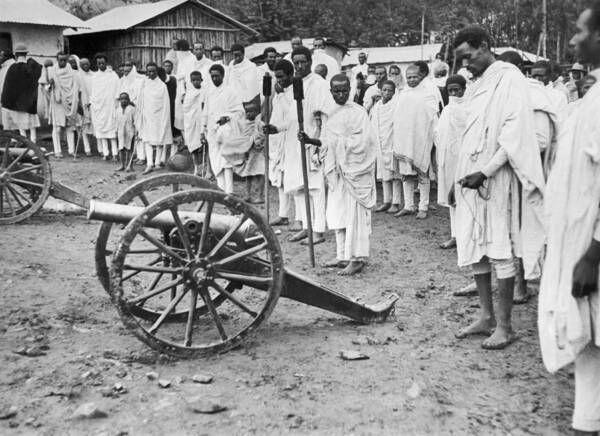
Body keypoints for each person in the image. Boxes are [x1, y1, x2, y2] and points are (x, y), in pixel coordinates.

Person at [451, 26, 545, 350]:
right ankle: (486, 316)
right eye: (461, 60)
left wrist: (486, 171)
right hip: (471, 177)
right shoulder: (477, 86)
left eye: (468, 56)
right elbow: (469, 138)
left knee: (499, 248)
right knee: (475, 245)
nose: (466, 65)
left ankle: (505, 326)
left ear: (485, 46)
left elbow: (514, 136)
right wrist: (459, 178)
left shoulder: (510, 78)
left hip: (497, 178)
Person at [539, 3, 600, 434]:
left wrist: (593, 253)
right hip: (580, 241)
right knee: (589, 343)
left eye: (581, 32)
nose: (575, 40)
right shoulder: (592, 98)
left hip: (592, 248)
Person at [300, 74, 376, 276]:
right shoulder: (331, 113)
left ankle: (357, 258)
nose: (340, 94)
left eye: (344, 90)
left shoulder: (358, 113)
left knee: (354, 215)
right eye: (336, 91)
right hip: (337, 172)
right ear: (331, 92)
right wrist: (310, 140)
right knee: (337, 212)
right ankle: (342, 255)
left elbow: (366, 143)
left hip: (354, 171)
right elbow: (326, 140)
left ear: (350, 89)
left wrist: (342, 145)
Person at [393, 64, 438, 220]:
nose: (412, 79)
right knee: (406, 174)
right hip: (405, 139)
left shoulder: (427, 94)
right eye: (409, 77)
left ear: (421, 77)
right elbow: (398, 115)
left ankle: (423, 206)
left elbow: (432, 116)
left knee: (422, 173)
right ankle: (408, 205)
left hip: (420, 138)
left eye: (415, 76)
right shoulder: (403, 93)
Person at [435, 75, 467, 249]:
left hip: (465, 158)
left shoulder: (470, 107)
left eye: (457, 90)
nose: (454, 93)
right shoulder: (447, 109)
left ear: (464, 89)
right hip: (448, 158)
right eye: (450, 91)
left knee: (466, 195)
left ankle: (467, 236)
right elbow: (440, 133)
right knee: (451, 198)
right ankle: (455, 235)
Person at [202, 64, 244, 193]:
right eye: (212, 76)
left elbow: (239, 111)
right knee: (215, 160)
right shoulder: (209, 93)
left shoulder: (230, 92)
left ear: (223, 76)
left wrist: (227, 118)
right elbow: (205, 112)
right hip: (212, 132)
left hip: (226, 130)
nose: (215, 79)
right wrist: (202, 130)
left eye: (217, 76)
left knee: (226, 161)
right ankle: (220, 189)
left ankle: (229, 191)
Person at [264, 59, 296, 226]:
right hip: (277, 137)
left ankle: (299, 218)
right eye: (277, 77)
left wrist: (282, 94)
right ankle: (283, 215)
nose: (279, 80)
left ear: (290, 75)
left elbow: (291, 115)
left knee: (293, 179)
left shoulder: (294, 92)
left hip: (290, 138)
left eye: (282, 77)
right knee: (279, 179)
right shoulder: (278, 91)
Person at [221, 96, 266, 203]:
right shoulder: (244, 124)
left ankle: (260, 196)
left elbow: (262, 136)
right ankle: (248, 195)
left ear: (257, 112)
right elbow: (241, 137)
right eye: (247, 112)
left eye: (252, 111)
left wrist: (255, 140)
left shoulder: (260, 123)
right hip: (248, 153)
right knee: (247, 174)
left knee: (260, 173)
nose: (249, 114)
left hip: (258, 153)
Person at [40, 52, 81, 158]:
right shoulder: (51, 72)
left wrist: (75, 101)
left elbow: (76, 88)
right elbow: (44, 88)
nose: (62, 62)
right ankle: (57, 151)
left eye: (64, 60)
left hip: (69, 102)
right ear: (57, 60)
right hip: (57, 102)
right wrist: (50, 85)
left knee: (70, 127)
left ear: (67, 60)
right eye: (60, 60)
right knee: (57, 128)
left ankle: (71, 150)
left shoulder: (73, 73)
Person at [371, 80, 402, 214]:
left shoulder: (396, 105)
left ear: (394, 92)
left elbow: (399, 124)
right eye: (384, 90)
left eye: (390, 90)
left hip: (392, 142)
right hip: (380, 142)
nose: (386, 92)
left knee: (395, 174)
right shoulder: (377, 106)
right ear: (381, 91)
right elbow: (373, 123)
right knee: (384, 174)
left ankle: (396, 202)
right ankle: (386, 201)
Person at [137, 62, 173, 175]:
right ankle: (149, 164)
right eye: (149, 71)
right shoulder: (144, 84)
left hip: (159, 117)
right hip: (147, 116)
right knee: (147, 140)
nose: (151, 73)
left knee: (159, 139)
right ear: (147, 72)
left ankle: (157, 163)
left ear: (157, 72)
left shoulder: (162, 86)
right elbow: (141, 101)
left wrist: (164, 117)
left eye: (153, 71)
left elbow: (166, 103)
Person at [1, 44, 42, 142]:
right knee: (32, 127)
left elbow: (8, 88)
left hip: (14, 104)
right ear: (26, 54)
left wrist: (5, 100)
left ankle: (23, 142)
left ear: (15, 55)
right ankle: (33, 142)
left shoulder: (12, 68)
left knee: (19, 126)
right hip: (29, 104)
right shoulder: (33, 67)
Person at [90, 53, 119, 160]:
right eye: (99, 63)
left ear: (106, 63)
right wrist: (92, 102)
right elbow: (93, 91)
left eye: (103, 63)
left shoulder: (113, 75)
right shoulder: (95, 76)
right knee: (101, 131)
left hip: (110, 106)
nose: (101, 65)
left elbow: (117, 90)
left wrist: (116, 104)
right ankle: (106, 153)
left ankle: (115, 154)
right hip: (99, 107)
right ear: (96, 64)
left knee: (111, 131)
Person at [182, 70, 205, 176]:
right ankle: (196, 167)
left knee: (204, 145)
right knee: (193, 145)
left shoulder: (205, 91)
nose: (196, 82)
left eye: (198, 80)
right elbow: (185, 108)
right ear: (191, 81)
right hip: (191, 122)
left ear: (202, 80)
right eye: (194, 80)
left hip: (202, 121)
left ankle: (205, 167)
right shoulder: (189, 94)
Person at [76, 58, 95, 156]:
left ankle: (95, 147)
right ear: (80, 65)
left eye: (87, 64)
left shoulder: (94, 75)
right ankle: (87, 148)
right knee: (83, 126)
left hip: (93, 102)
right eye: (83, 64)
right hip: (83, 102)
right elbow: (77, 91)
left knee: (93, 125)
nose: (86, 66)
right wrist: (79, 103)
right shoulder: (78, 76)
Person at [116, 92, 136, 171]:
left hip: (130, 132)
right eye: (122, 99)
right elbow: (116, 121)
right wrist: (116, 131)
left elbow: (135, 121)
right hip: (121, 132)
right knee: (121, 149)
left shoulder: (132, 109)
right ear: (120, 100)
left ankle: (129, 165)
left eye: (125, 99)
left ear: (128, 100)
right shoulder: (117, 110)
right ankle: (122, 165)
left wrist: (136, 130)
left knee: (129, 149)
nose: (124, 101)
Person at [0, 50, 16, 126]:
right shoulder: (4, 68)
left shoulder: (12, 67)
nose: (0, 58)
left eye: (1, 56)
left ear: (7, 57)